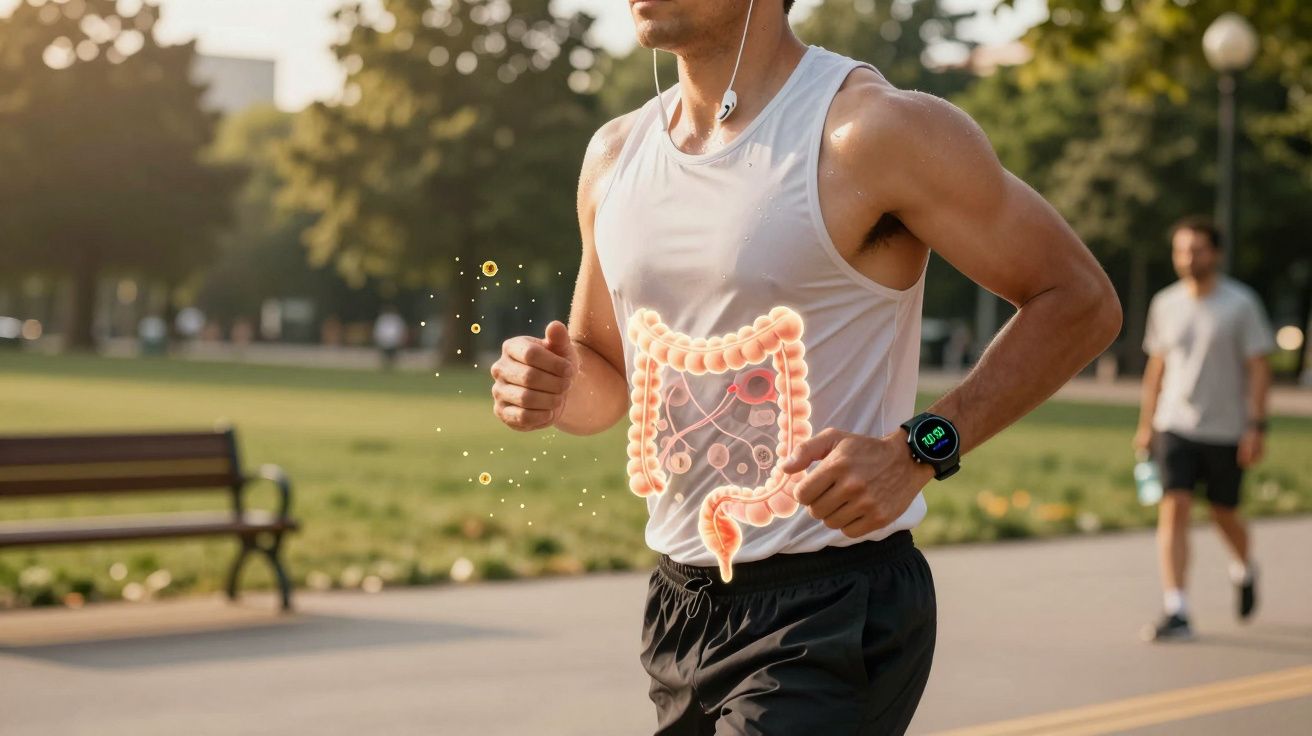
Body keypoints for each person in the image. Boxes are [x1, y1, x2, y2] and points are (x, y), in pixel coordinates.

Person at [490, 1, 1121, 733]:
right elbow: (607, 377)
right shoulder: (614, 156)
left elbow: (1079, 300)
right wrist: (556, 389)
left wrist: (920, 449)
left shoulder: (874, 131)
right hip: (679, 603)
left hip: (831, 605)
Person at [1134, 216, 1275, 643]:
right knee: (1173, 507)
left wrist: (1256, 426)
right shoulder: (1165, 303)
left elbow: (1259, 368)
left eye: (1196, 250)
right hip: (1174, 425)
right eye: (1181, 250)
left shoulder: (1241, 304)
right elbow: (1155, 369)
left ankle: (1245, 567)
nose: (1187, 258)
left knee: (1222, 512)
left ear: (1215, 253)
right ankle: (1177, 608)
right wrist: (1146, 426)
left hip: (1227, 429)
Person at [373, 305, 406, 370]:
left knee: (393, 356)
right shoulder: (382, 319)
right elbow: (378, 330)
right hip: (384, 341)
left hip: (393, 341)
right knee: (385, 356)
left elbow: (400, 329)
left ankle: (391, 367)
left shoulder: (396, 319)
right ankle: (385, 367)